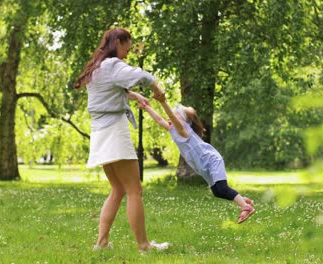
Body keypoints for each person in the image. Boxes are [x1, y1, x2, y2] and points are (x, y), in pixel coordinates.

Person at [74, 28, 169, 251]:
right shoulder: (112, 65)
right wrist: (159, 91)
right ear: (118, 41)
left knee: (118, 188)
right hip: (115, 132)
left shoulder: (97, 67)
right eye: (127, 44)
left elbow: (108, 91)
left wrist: (132, 95)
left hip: (100, 132)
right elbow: (142, 76)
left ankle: (102, 243)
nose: (128, 50)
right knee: (134, 190)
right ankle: (144, 245)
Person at [142, 93, 255, 224]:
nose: (169, 118)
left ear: (183, 121)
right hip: (203, 165)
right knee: (217, 191)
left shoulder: (182, 130)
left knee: (222, 187)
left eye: (175, 116)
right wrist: (146, 107)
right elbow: (159, 120)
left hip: (211, 160)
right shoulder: (173, 129)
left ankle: (246, 207)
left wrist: (163, 102)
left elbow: (172, 117)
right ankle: (241, 199)